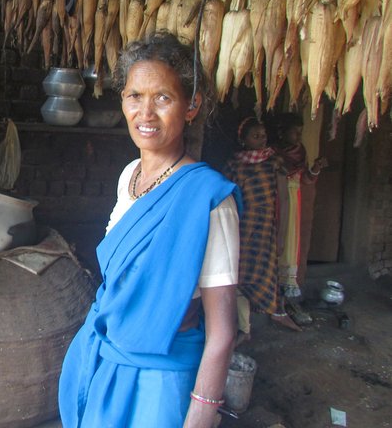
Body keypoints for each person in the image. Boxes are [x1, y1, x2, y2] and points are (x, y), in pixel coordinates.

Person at [58, 33, 241, 428]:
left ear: (192, 106)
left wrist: (201, 416)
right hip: (105, 360)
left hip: (162, 380)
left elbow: (223, 333)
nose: (146, 113)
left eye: (163, 98)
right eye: (134, 96)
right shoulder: (129, 177)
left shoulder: (209, 200)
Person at [222, 117, 301, 343]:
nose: (261, 139)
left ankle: (275, 314)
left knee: (264, 275)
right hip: (241, 227)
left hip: (265, 229)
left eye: (263, 135)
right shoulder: (234, 165)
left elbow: (284, 199)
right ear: (243, 140)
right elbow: (225, 196)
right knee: (238, 276)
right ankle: (244, 328)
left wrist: (282, 235)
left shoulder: (274, 162)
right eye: (255, 136)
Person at [272, 113, 328, 302]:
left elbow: (305, 179)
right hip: (276, 200)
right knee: (275, 236)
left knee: (290, 241)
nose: (298, 136)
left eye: (300, 132)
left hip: (294, 201)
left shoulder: (300, 152)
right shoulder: (272, 152)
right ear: (282, 132)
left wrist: (315, 168)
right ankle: (270, 283)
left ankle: (286, 284)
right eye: (294, 132)